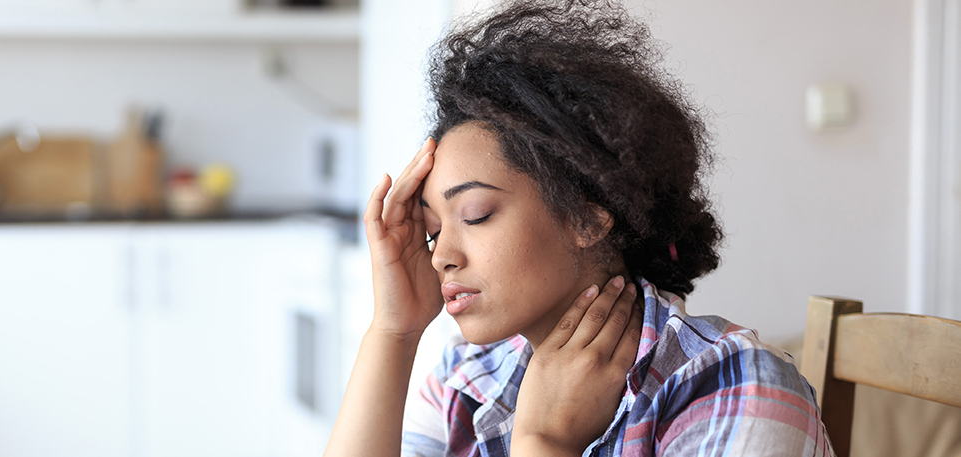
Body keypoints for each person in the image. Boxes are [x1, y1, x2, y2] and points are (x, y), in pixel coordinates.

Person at [322, 1, 832, 456]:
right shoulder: (465, 382)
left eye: (475, 215)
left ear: (588, 215)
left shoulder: (734, 387)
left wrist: (543, 443)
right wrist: (394, 332)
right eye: (434, 232)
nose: (440, 257)